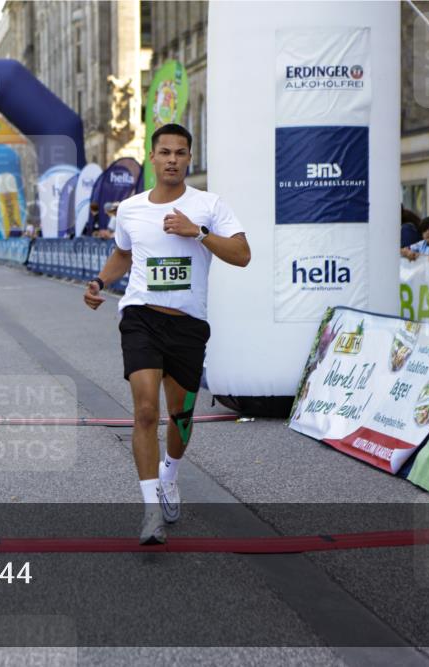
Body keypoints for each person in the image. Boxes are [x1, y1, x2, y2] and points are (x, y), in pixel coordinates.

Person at [83, 124, 251, 545]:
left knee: (180, 416)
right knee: (144, 411)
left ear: (189, 157)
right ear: (152, 157)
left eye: (180, 152)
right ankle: (150, 510)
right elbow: (123, 253)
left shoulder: (209, 205)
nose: (172, 159)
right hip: (141, 317)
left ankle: (169, 476)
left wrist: (199, 233)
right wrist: (100, 282)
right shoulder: (131, 209)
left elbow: (242, 255)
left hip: (188, 324)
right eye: (165, 152)